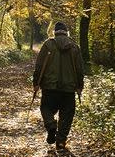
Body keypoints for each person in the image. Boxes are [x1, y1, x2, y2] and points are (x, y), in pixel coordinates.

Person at [33, 21, 84, 150]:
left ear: (54, 32)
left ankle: (51, 125)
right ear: (66, 32)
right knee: (67, 114)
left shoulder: (48, 45)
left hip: (50, 87)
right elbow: (79, 68)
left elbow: (39, 65)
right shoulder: (74, 46)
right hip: (69, 88)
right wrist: (79, 85)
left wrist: (36, 83)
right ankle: (61, 140)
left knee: (46, 108)